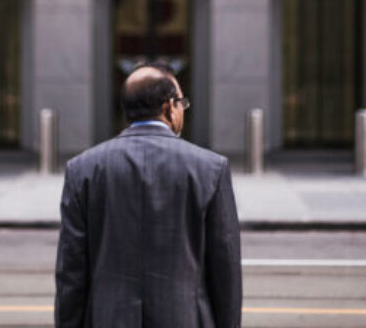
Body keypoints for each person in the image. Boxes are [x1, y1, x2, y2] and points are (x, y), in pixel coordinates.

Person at [54, 62, 242, 328]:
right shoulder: (210, 169)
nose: (183, 110)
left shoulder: (83, 169)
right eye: (182, 103)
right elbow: (226, 274)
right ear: (168, 107)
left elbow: (71, 274)